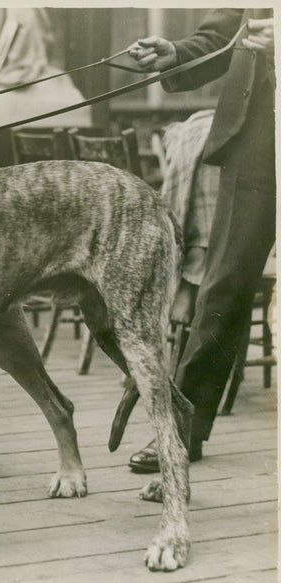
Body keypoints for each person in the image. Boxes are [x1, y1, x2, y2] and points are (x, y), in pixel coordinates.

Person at [125, 9, 275, 472]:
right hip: (258, 137)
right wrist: (178, 53)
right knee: (223, 284)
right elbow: (224, 33)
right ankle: (183, 429)